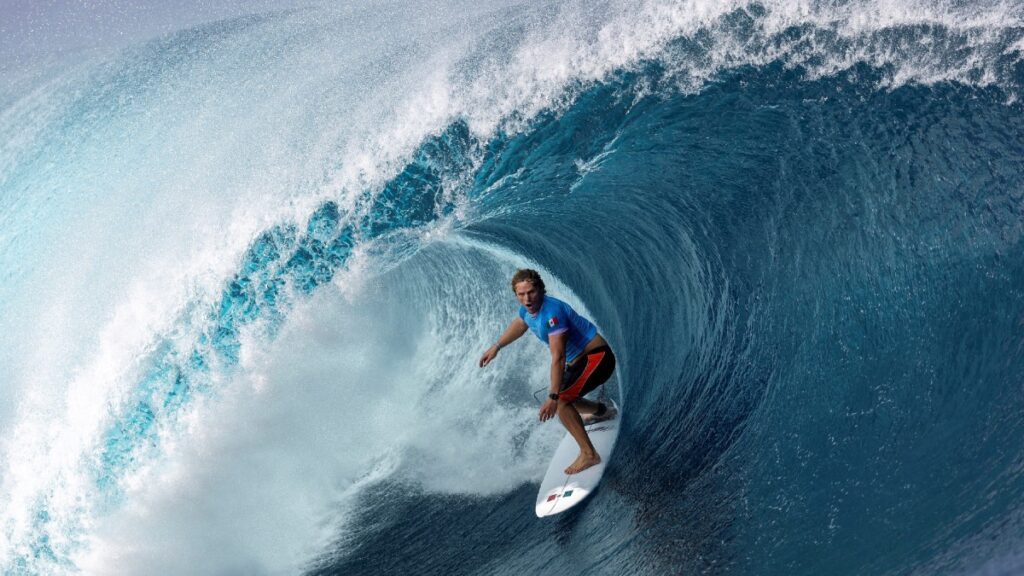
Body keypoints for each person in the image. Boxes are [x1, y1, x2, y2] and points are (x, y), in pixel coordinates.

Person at [479, 268, 617, 474]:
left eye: (531, 292)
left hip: (598, 358)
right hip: (580, 362)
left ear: (541, 290)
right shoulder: (527, 309)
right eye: (521, 294)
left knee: (560, 400)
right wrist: (496, 347)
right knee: (564, 396)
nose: (527, 299)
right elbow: (520, 323)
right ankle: (601, 412)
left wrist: (553, 397)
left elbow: (558, 357)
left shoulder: (553, 314)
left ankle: (589, 454)